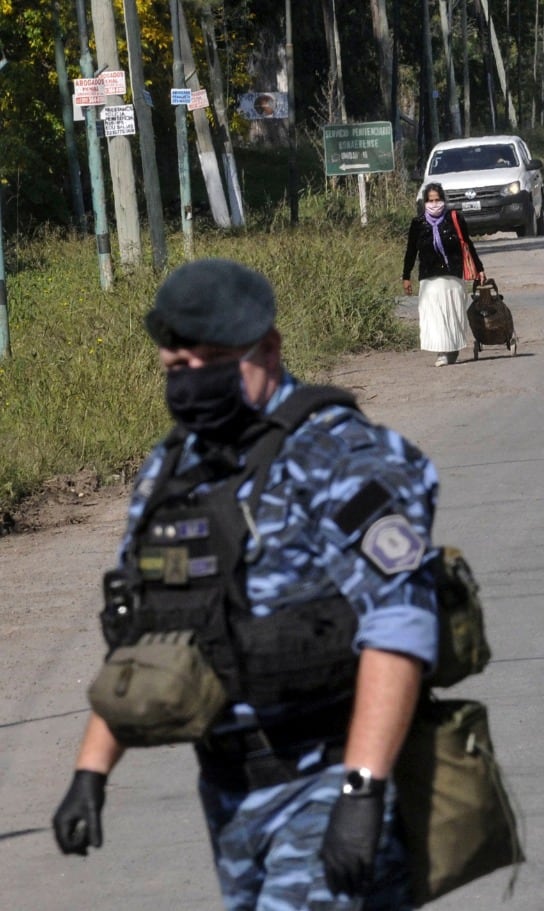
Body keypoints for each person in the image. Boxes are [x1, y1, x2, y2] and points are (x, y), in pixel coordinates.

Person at [52, 258, 440, 911]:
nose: (193, 380)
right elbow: (144, 629)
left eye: (213, 361)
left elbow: (398, 622)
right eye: (177, 366)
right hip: (229, 792)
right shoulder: (172, 469)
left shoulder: (340, 456)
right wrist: (91, 770)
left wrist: (362, 789)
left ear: (270, 349)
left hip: (326, 774)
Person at [402, 181, 485, 366]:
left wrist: (479, 269)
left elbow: (467, 244)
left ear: (443, 200)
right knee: (434, 315)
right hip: (429, 276)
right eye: (430, 200)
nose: (434, 204)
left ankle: (452, 349)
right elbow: (411, 251)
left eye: (437, 200)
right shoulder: (418, 224)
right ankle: (441, 352)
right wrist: (406, 276)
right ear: (425, 202)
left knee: (452, 314)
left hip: (452, 274)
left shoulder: (454, 218)